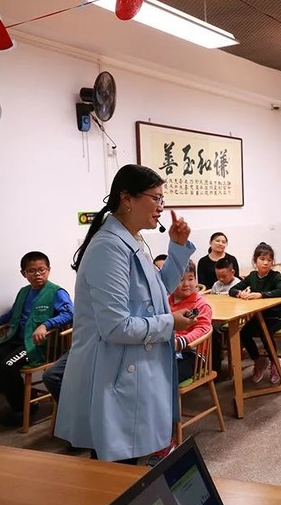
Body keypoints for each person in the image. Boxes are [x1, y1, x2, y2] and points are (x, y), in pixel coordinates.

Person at [55, 164, 197, 464]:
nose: (161, 207)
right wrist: (170, 322)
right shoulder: (109, 248)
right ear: (127, 198)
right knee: (116, 466)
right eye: (155, 198)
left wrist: (177, 248)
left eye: (162, 199)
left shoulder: (131, 241)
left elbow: (159, 290)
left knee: (125, 463)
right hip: (113, 372)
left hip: (130, 366)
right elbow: (116, 326)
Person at [0, 251, 73, 426]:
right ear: (23, 273)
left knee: (7, 366)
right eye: (32, 271)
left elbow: (70, 313)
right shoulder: (24, 292)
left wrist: (46, 324)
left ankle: (20, 409)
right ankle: (24, 398)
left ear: (48, 270)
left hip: (38, 345)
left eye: (41, 270)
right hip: (16, 340)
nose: (37, 274)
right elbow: (12, 314)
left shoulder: (56, 292)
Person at [229, 243, 281, 385]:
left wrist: (261, 295)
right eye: (262, 259)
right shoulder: (252, 276)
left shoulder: (275, 276)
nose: (266, 263)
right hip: (259, 316)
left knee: (264, 332)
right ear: (255, 260)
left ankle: (275, 362)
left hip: (276, 315)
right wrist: (240, 293)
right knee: (243, 333)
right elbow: (233, 289)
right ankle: (259, 360)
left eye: (269, 260)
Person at [169, 260, 213, 387]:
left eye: (190, 278)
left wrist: (182, 341)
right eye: (180, 280)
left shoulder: (200, 305)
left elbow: (202, 329)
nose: (186, 284)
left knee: (169, 377)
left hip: (193, 353)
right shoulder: (166, 301)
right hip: (168, 349)